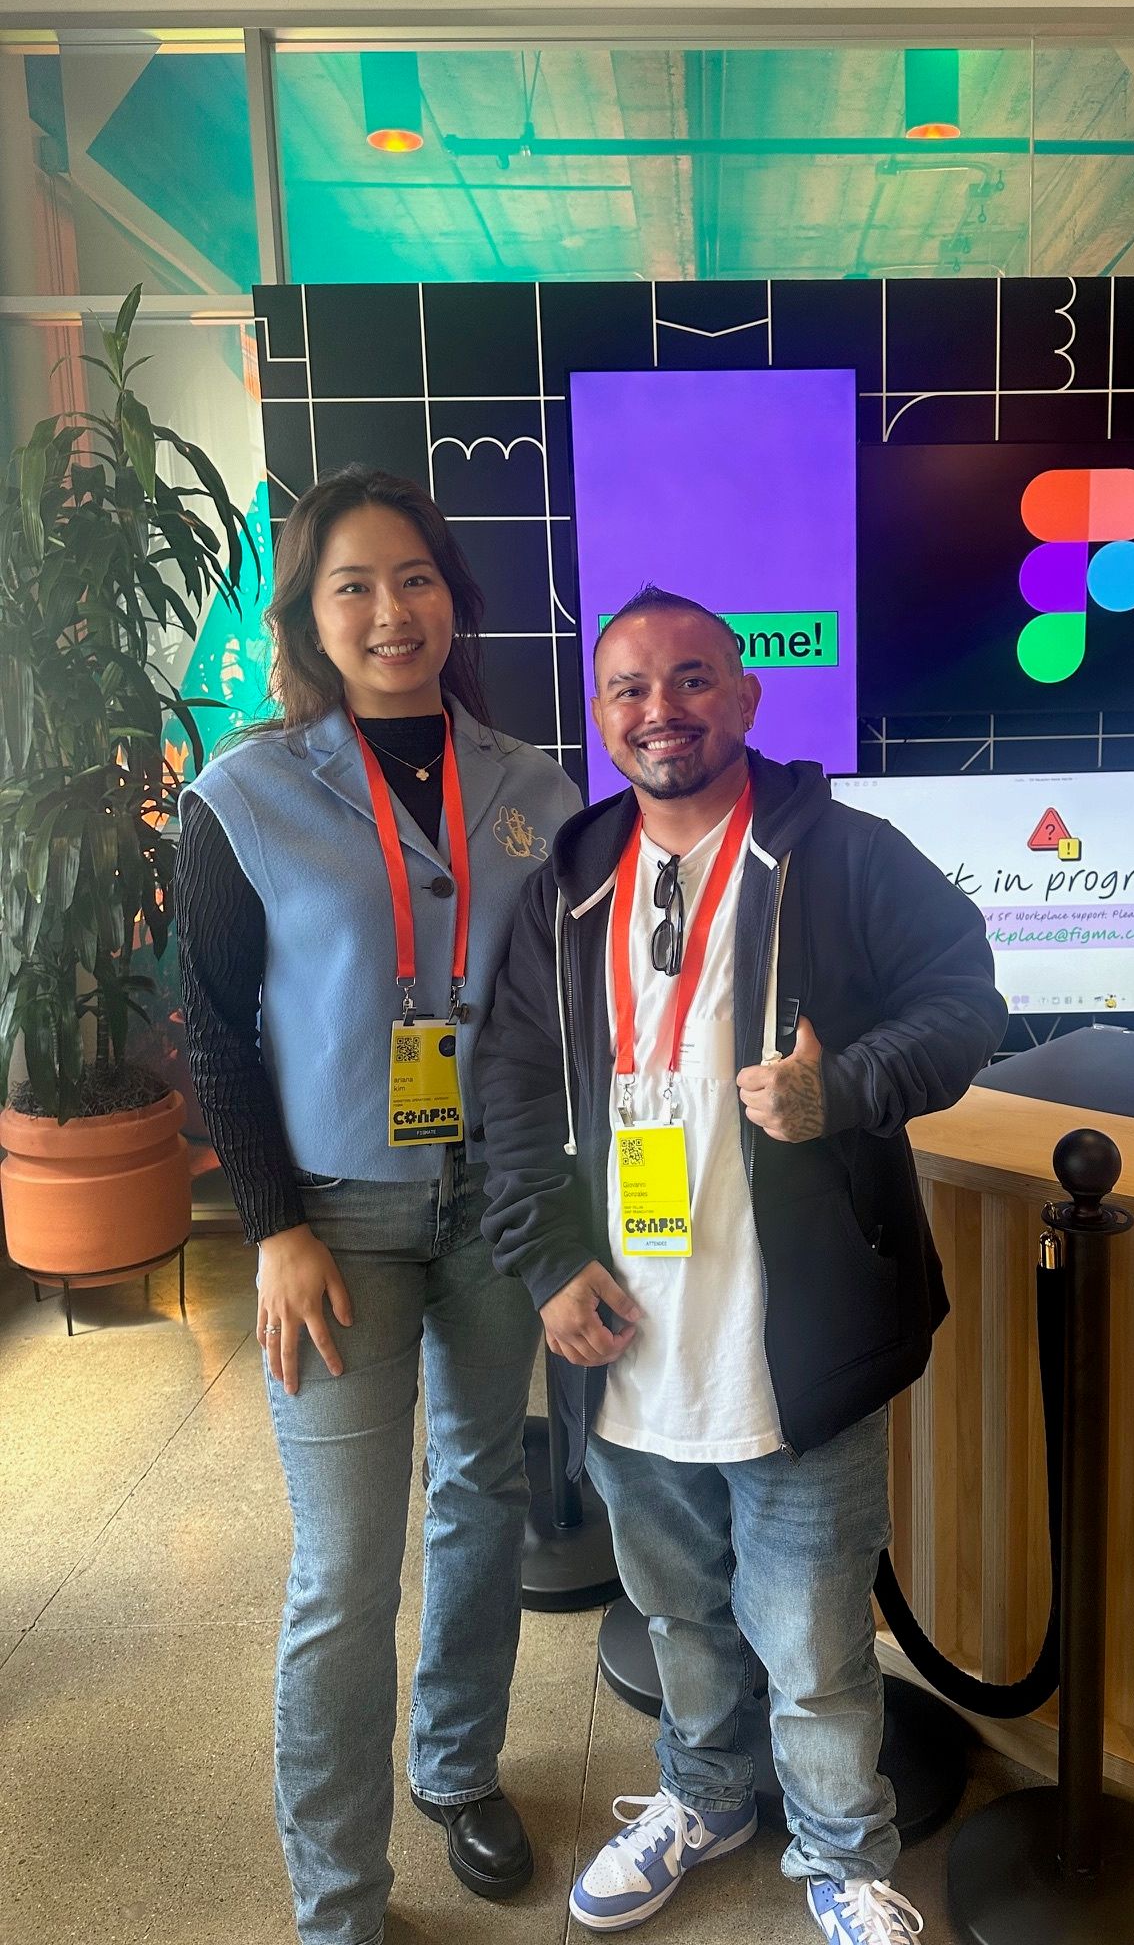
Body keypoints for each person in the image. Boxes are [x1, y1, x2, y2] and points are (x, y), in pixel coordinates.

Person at [475, 585, 1006, 1944]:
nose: (664, 709)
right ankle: (703, 1797)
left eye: (695, 678)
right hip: (623, 1333)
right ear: (601, 717)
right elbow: (517, 1090)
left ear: (748, 697)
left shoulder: (841, 855)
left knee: (816, 1637)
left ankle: (842, 1856)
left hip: (799, 1336)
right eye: (633, 689)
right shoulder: (568, 884)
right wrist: (545, 1265)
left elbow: (966, 998)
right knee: (677, 1614)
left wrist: (856, 1085)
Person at [176, 466, 579, 1945]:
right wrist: (272, 1226)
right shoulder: (246, 793)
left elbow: (565, 1015)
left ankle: (457, 1768)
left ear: (453, 603)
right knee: (347, 1566)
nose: (390, 610)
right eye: (354, 585)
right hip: (332, 1220)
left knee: (481, 1500)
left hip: (496, 1208)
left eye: (415, 579)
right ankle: (338, 1898)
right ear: (310, 615)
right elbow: (212, 1027)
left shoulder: (536, 789)